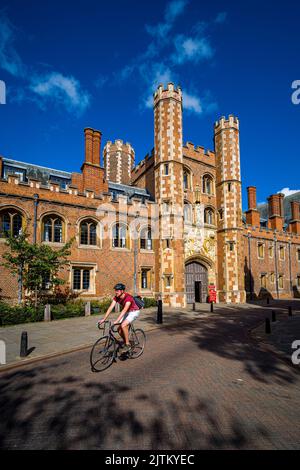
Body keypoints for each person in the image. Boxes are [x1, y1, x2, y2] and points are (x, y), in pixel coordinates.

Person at [98, 283, 140, 353]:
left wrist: (117, 320)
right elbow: (111, 307)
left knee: (123, 325)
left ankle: (127, 344)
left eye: (117, 290)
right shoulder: (116, 297)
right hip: (127, 312)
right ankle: (128, 341)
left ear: (122, 291)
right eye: (115, 290)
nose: (116, 292)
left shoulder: (128, 298)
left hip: (134, 311)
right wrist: (104, 319)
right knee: (119, 329)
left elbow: (124, 310)